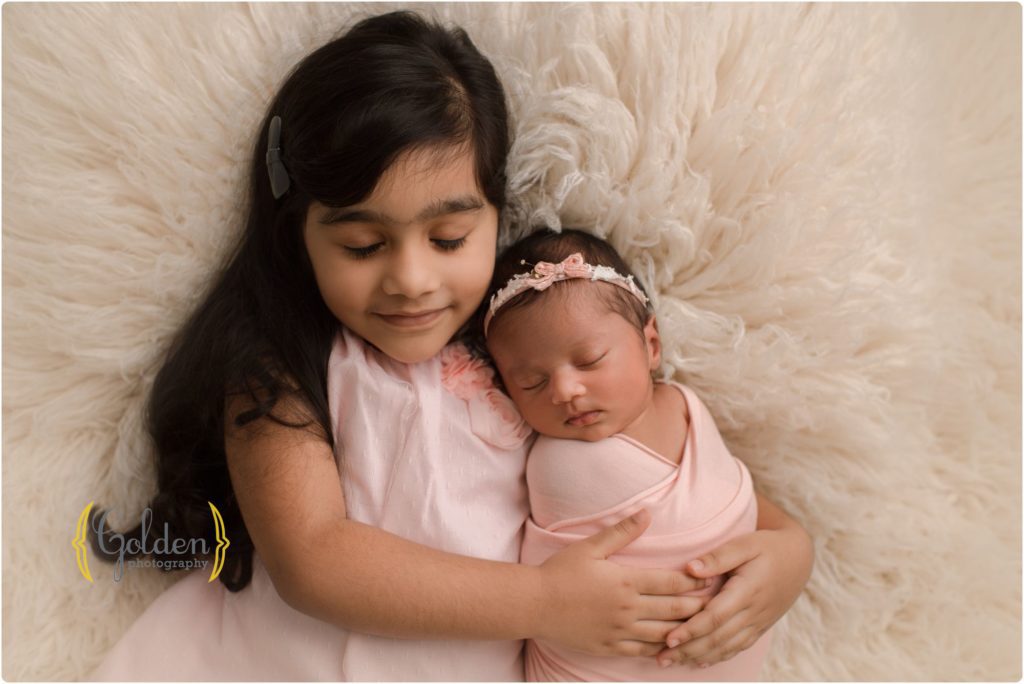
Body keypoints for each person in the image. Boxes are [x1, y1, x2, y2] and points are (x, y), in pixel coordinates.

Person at [87, 10, 813, 681]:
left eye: (448, 239)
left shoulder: (526, 354)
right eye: (364, 244)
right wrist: (544, 602)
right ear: (297, 233)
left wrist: (788, 551)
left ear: (497, 218)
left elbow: (669, 470)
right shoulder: (284, 364)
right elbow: (313, 558)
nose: (411, 279)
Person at [481, 229, 775, 680]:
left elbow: (737, 502)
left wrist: (789, 551)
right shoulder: (559, 464)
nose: (564, 390)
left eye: (590, 359)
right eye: (531, 382)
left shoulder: (689, 407)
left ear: (651, 346)